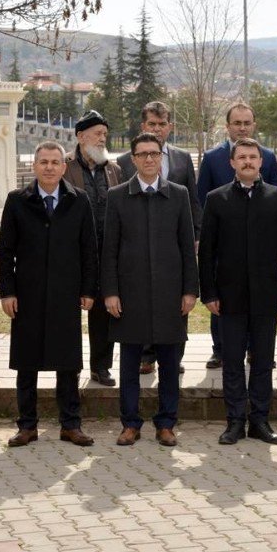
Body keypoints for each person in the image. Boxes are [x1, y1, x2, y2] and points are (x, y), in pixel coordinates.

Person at [199, 138, 277, 445]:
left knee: (263, 360)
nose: (247, 162)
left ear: (261, 162)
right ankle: (234, 421)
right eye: (241, 157)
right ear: (232, 163)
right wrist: (209, 293)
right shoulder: (217, 199)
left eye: (252, 157)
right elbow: (207, 253)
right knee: (231, 361)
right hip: (229, 296)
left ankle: (260, 420)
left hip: (268, 295)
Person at [102, 132, 199, 447]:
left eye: (154, 153)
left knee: (170, 362)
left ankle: (166, 423)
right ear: (133, 159)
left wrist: (189, 290)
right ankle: (130, 423)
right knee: (130, 362)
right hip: (129, 294)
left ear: (161, 157)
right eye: (142, 154)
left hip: (170, 293)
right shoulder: (117, 196)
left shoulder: (179, 194)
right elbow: (109, 250)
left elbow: (187, 246)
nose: (148, 159)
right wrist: (111, 292)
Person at [0, 141, 97, 448]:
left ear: (64, 167)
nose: (50, 167)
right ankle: (27, 426)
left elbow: (89, 250)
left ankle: (70, 424)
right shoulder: (17, 201)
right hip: (27, 295)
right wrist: (7, 292)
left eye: (55, 162)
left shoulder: (78, 200)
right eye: (44, 162)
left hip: (66, 295)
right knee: (26, 362)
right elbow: (5, 252)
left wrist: (88, 290)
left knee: (68, 363)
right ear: (34, 165)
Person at [117, 101, 200, 376]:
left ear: (170, 127)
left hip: (173, 245)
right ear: (143, 126)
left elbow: (192, 200)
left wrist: (195, 234)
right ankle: (145, 355)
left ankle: (173, 357)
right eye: (152, 124)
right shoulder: (124, 162)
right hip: (138, 245)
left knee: (175, 302)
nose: (157, 128)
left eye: (162, 124)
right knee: (141, 301)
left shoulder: (182, 158)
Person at [197, 103, 277, 369]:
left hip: (258, 244)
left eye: (247, 123)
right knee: (221, 295)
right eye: (237, 123)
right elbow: (202, 199)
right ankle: (220, 349)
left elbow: (275, 197)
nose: (242, 127)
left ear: (254, 125)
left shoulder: (267, 155)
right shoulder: (211, 157)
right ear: (228, 126)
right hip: (223, 242)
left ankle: (257, 349)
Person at [63, 110, 123, 387]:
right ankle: (69, 365)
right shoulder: (65, 166)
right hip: (73, 254)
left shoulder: (114, 169)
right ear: (81, 136)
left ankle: (101, 366)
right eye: (97, 134)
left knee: (102, 313)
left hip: (105, 252)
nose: (102, 139)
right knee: (69, 313)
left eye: (104, 135)